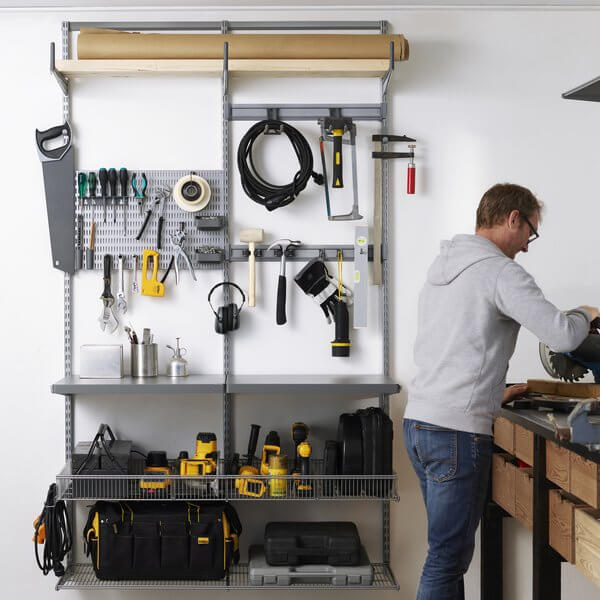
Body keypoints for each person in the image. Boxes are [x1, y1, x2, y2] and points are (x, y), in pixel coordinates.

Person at [403, 183, 599, 600]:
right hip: (455, 432)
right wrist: (586, 311)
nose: (528, 245)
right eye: (530, 232)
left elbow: (453, 343)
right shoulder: (499, 271)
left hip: (420, 423)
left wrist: (493, 393)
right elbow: (563, 335)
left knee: (445, 556)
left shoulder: (444, 265)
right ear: (513, 218)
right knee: (446, 559)